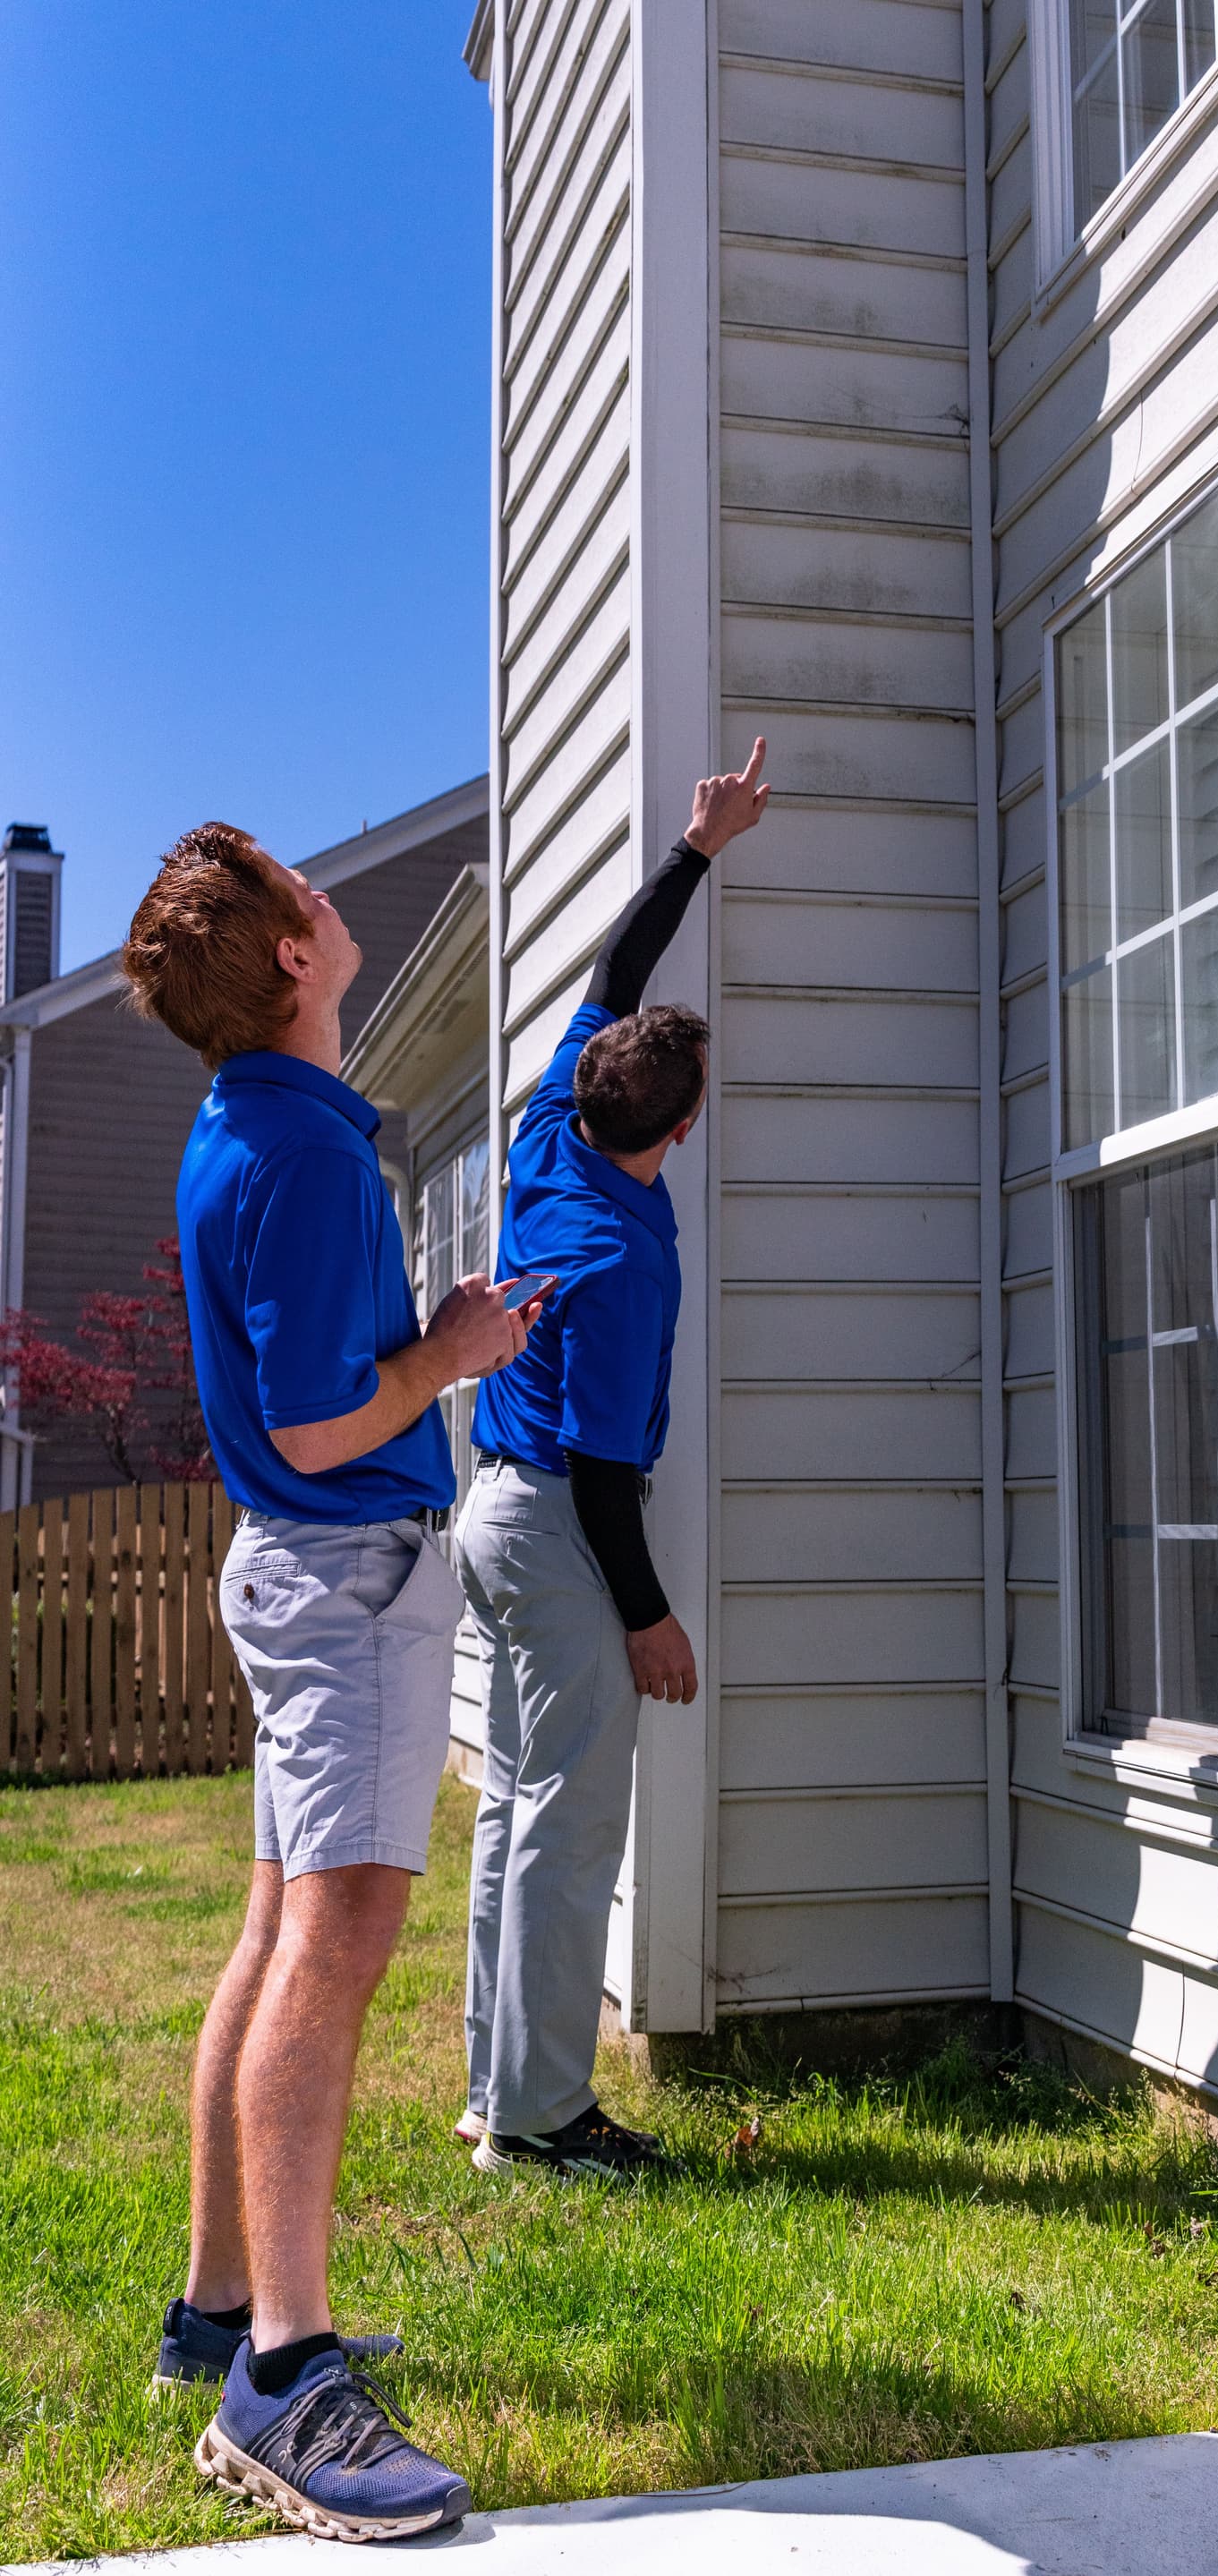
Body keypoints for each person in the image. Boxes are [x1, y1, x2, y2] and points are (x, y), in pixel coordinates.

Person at [120, 823, 545, 2543]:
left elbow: (306, 1388)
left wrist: (425, 1344)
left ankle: (217, 2313)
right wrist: (450, 1356)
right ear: (293, 956)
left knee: (275, 1930)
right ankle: (286, 2378)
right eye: (301, 888)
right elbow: (314, 1425)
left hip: (306, 1572)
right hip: (346, 1574)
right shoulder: (298, 1152)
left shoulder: (257, 1125)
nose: (326, 895)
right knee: (330, 1947)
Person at [456, 741, 770, 2179]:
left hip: (492, 1514)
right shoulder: (619, 1265)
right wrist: (650, 1618)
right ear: (681, 1129)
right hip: (557, 1525)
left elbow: (616, 966)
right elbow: (598, 1469)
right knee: (570, 1824)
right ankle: (543, 2117)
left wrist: (699, 846)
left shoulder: (552, 1123)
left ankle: (498, 2088)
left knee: (517, 1806)